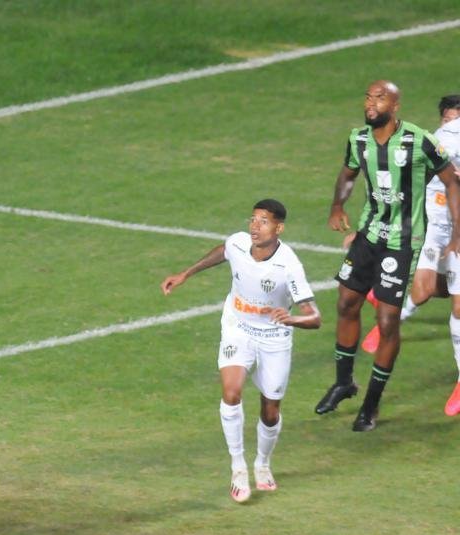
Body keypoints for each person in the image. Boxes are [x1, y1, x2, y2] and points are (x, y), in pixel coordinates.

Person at [316, 80, 460, 431]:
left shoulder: (419, 141)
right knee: (346, 302)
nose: (371, 103)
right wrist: (337, 205)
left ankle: (371, 405)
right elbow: (348, 173)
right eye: (368, 97)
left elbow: (451, 182)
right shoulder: (359, 139)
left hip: (402, 241)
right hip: (369, 234)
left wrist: (457, 232)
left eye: (379, 98)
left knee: (387, 323)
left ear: (395, 106)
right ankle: (344, 383)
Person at [161, 200, 320, 502]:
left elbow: (315, 317)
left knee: (270, 411)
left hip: (274, 337)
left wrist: (291, 319)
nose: (255, 226)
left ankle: (262, 463)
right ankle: (238, 467)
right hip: (238, 327)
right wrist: (185, 273)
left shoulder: (289, 266)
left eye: (264, 221)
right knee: (231, 393)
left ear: (279, 228)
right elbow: (224, 250)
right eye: (253, 219)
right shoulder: (238, 243)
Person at [359, 95, 460, 361]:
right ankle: (390, 322)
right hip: (432, 221)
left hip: (455, 226)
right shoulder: (440, 141)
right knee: (425, 290)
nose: (450, 124)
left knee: (443, 290)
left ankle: (384, 292)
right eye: (447, 119)